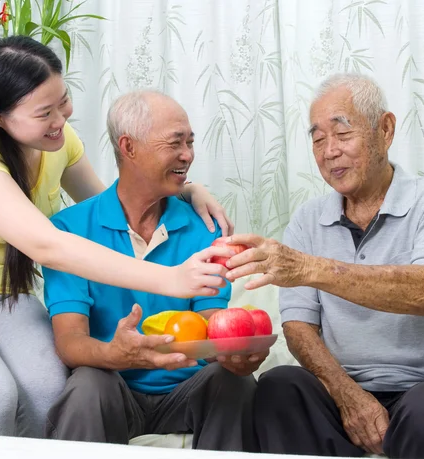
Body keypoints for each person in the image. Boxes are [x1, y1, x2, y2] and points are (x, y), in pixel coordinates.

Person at [0, 36, 234, 438]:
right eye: (45, 112)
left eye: (63, 100)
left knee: (49, 388)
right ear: (0, 117)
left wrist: (184, 189)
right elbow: (48, 245)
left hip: (8, 296)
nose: (61, 119)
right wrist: (170, 279)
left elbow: (109, 207)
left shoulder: (57, 143)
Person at [223, 73, 424, 458]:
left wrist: (309, 268)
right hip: (344, 388)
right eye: (317, 138)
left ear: (385, 130)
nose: (328, 151)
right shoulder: (307, 219)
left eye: (342, 134)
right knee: (278, 387)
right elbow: (298, 327)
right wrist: (347, 396)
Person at [41, 89, 266, 451]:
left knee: (234, 382)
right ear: (129, 148)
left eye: (190, 142)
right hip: (114, 387)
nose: (188, 155)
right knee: (87, 385)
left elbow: (212, 321)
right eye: (176, 143)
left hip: (187, 389)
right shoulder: (69, 230)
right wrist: (115, 354)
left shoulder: (206, 227)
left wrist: (233, 353)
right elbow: (70, 342)